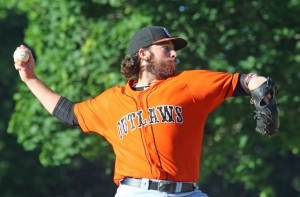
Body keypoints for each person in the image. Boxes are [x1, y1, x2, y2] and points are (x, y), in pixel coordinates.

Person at [14, 26, 277, 197]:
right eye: (167, 49)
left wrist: (260, 87)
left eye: (174, 50)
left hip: (188, 193)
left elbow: (245, 81)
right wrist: (30, 78)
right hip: (137, 192)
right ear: (143, 54)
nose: (174, 54)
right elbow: (67, 112)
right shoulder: (112, 102)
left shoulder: (189, 85)